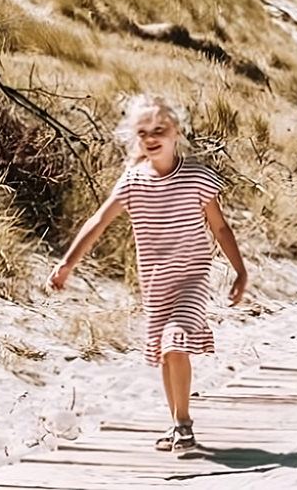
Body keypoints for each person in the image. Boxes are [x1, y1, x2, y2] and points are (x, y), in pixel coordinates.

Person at [48, 95, 248, 452]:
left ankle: (184, 425)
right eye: (143, 132)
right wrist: (67, 264)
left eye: (160, 130)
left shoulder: (197, 179)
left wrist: (240, 271)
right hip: (155, 284)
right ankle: (176, 424)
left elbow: (220, 228)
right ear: (135, 138)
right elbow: (98, 222)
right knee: (165, 353)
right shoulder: (133, 182)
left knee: (175, 341)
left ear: (177, 132)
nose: (152, 138)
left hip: (191, 278)